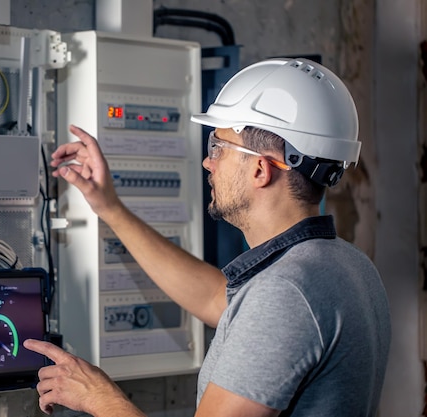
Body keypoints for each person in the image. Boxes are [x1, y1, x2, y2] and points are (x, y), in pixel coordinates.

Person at [24, 58, 391, 417]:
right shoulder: (346, 265)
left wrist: (98, 397)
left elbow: (269, 307)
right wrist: (111, 208)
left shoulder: (284, 294)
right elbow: (217, 298)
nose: (208, 162)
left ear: (261, 169)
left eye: (219, 148)